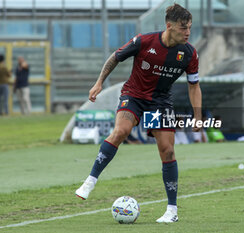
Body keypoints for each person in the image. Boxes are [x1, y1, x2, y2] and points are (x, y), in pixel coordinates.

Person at [75, 4, 202, 223]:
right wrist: (98, 84)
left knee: (167, 150)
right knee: (120, 131)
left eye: (189, 27)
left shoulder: (189, 53)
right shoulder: (144, 41)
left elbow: (194, 86)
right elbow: (115, 57)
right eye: (183, 28)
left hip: (160, 103)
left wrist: (198, 116)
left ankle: (172, 211)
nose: (187, 32)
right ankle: (90, 181)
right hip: (134, 97)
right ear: (169, 26)